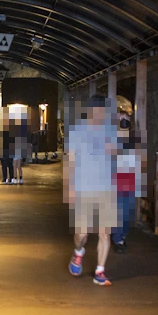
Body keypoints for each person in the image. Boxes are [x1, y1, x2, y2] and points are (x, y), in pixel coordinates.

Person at [64, 95, 119, 286]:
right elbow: (70, 159)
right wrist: (69, 187)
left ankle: (100, 271)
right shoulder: (77, 131)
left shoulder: (110, 130)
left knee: (105, 233)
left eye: (102, 111)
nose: (99, 114)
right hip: (83, 187)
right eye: (96, 110)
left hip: (105, 187)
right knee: (82, 234)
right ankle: (78, 252)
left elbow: (115, 154)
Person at [111, 114, 138, 252]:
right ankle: (118, 239)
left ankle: (120, 237)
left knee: (126, 210)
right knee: (120, 210)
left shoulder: (132, 140)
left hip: (128, 178)